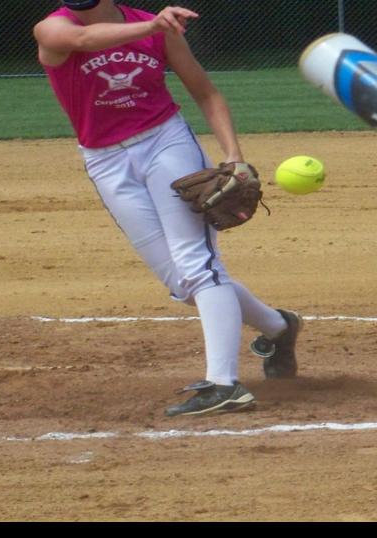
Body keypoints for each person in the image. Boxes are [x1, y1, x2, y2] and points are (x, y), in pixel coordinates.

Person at [33, 1, 301, 417]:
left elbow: (206, 94)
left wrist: (234, 156)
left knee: (197, 263)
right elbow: (82, 40)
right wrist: (154, 28)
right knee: (182, 283)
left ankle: (224, 385)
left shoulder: (158, 28)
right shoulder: (53, 28)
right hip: (105, 161)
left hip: (165, 142)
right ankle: (279, 327)